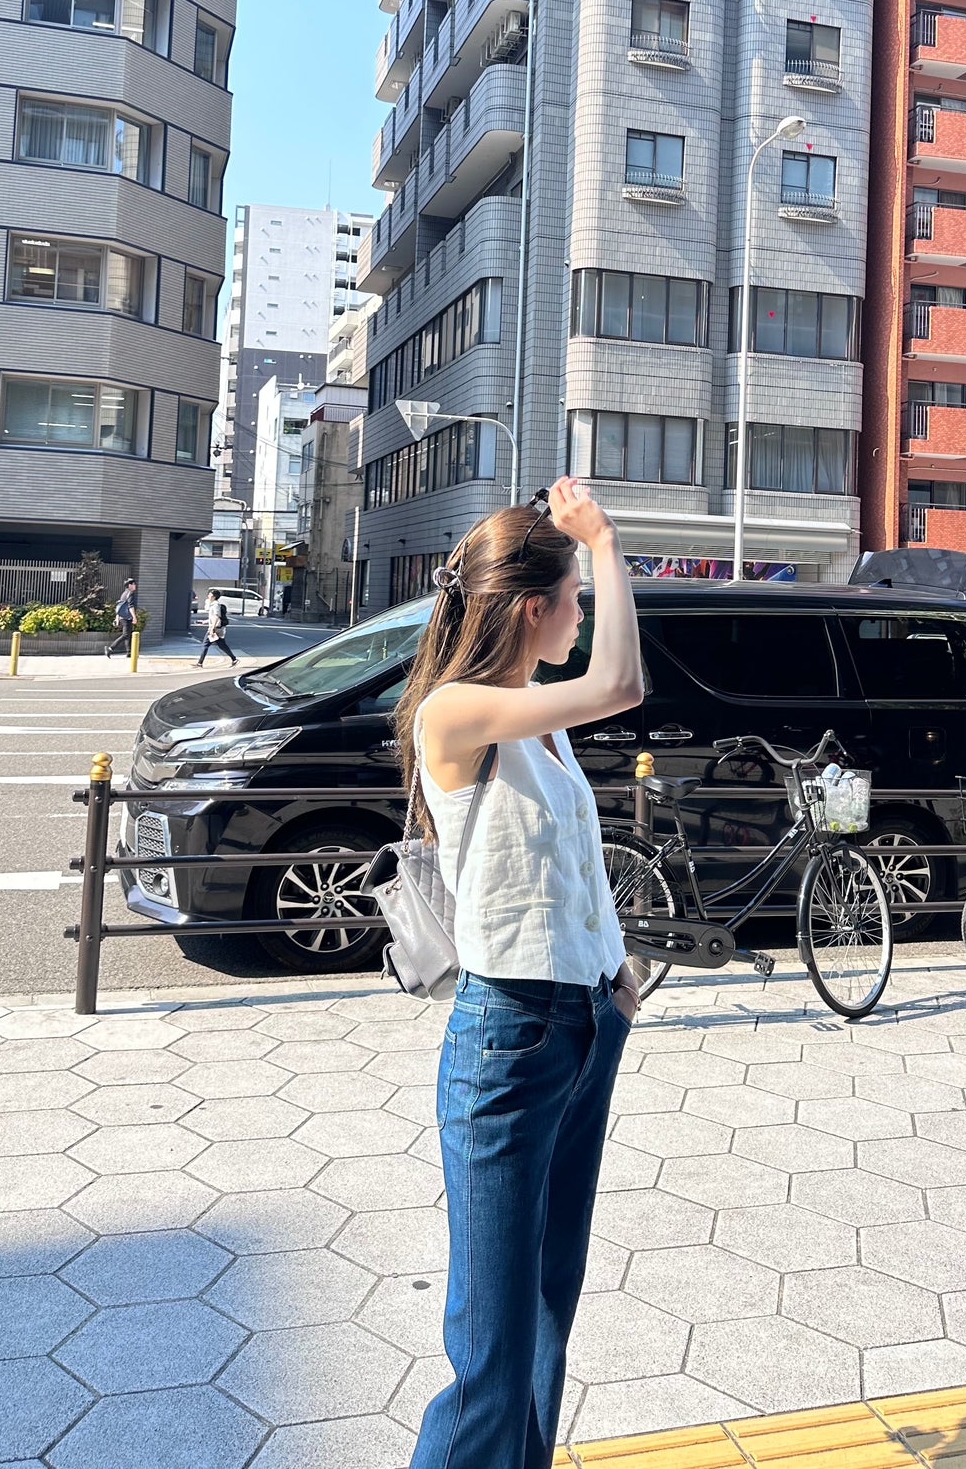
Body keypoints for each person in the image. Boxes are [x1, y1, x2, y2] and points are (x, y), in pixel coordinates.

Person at [400, 475, 644, 1469]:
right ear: (533, 605)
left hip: (582, 1021)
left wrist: (615, 969)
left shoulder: (532, 720)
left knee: (548, 1313)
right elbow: (620, 683)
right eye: (574, 596)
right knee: (491, 1354)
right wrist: (605, 539)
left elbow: (566, 858)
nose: (581, 613)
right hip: (507, 1035)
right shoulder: (456, 712)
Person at [195, 590, 237, 668]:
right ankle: (234, 659)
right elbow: (213, 617)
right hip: (218, 628)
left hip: (215, 628)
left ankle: (200, 663)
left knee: (205, 645)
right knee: (222, 645)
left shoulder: (215, 605)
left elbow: (217, 617)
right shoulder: (214, 605)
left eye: (210, 594)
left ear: (214, 596)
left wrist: (212, 628)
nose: (208, 596)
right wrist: (204, 622)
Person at [104, 578, 137, 658]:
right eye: (134, 584)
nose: (135, 585)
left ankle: (129, 653)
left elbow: (119, 606)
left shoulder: (124, 594)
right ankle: (110, 648)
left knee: (128, 635)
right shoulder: (130, 594)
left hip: (122, 617)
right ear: (129, 585)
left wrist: (117, 617)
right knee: (125, 635)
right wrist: (134, 617)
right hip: (127, 617)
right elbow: (130, 606)